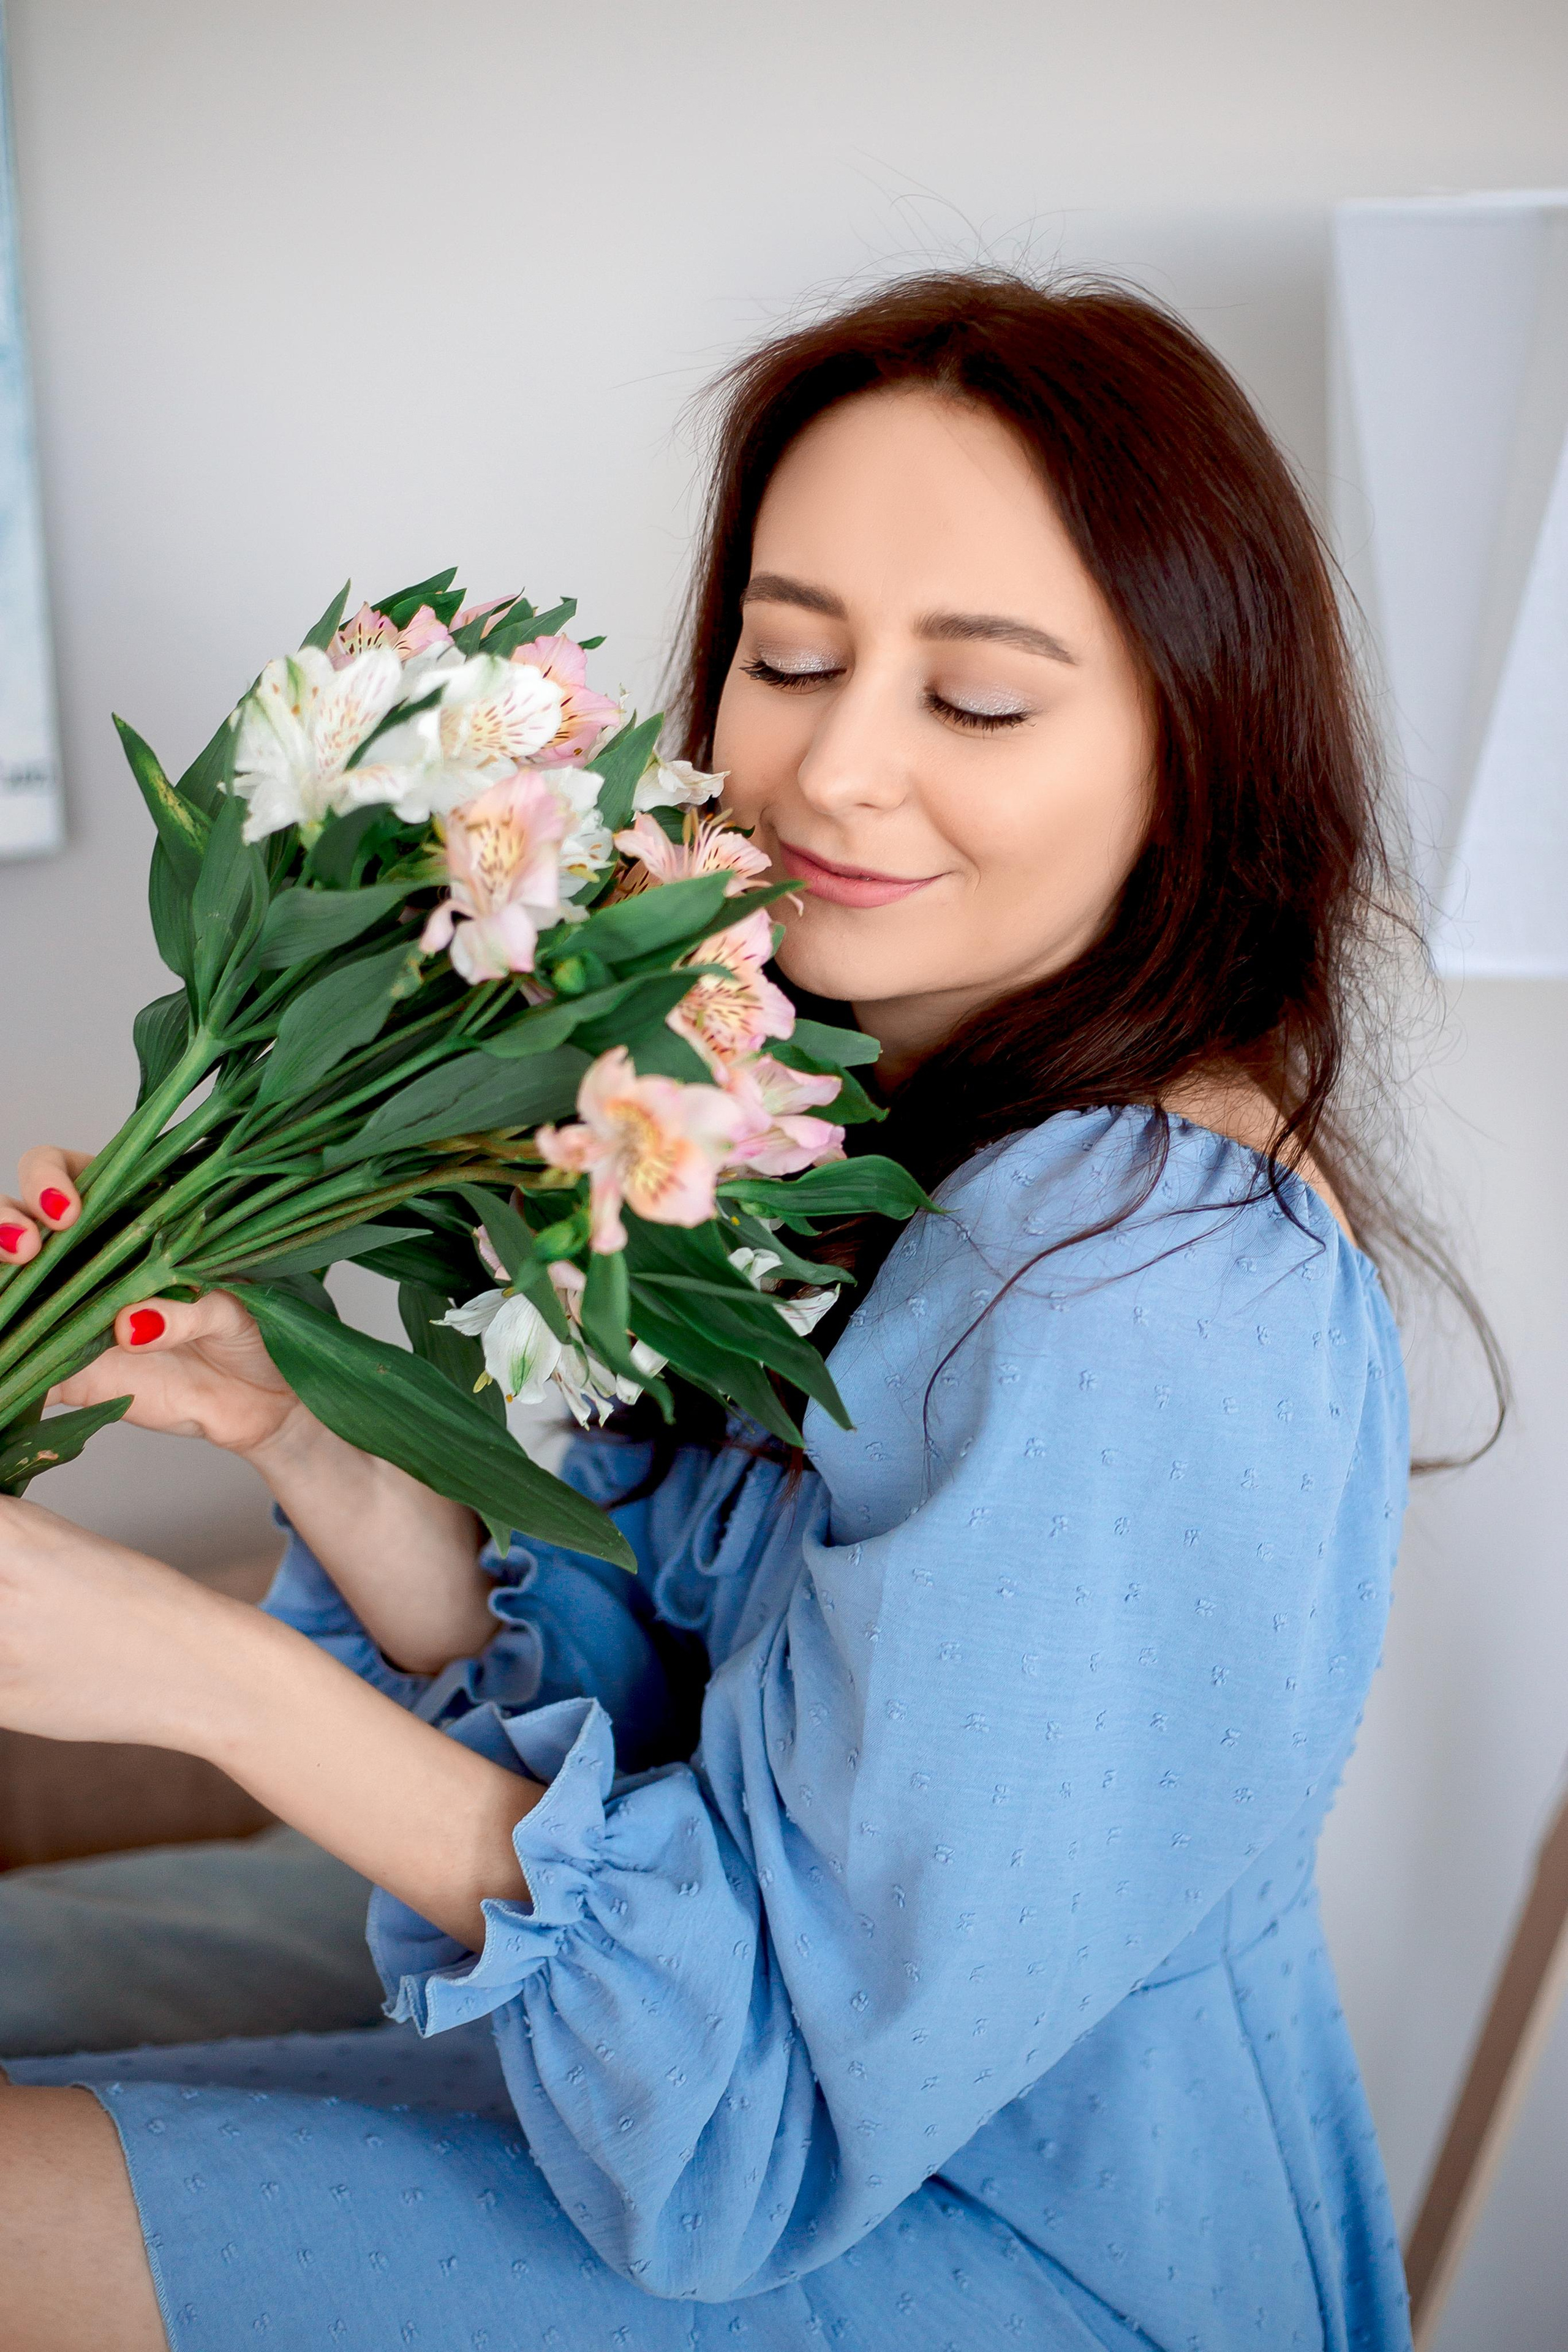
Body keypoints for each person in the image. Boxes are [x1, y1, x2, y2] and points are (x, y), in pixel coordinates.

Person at [0, 270, 1431, 2350]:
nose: (833, 773)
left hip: (1015, 2259)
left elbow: (760, 2117)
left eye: (982, 700)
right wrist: (306, 1435)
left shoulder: (1137, 1286)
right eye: (786, 656)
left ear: (1188, 751)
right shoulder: (872, 1135)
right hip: (769, 2158)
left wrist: (201, 1677)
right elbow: (681, 1751)